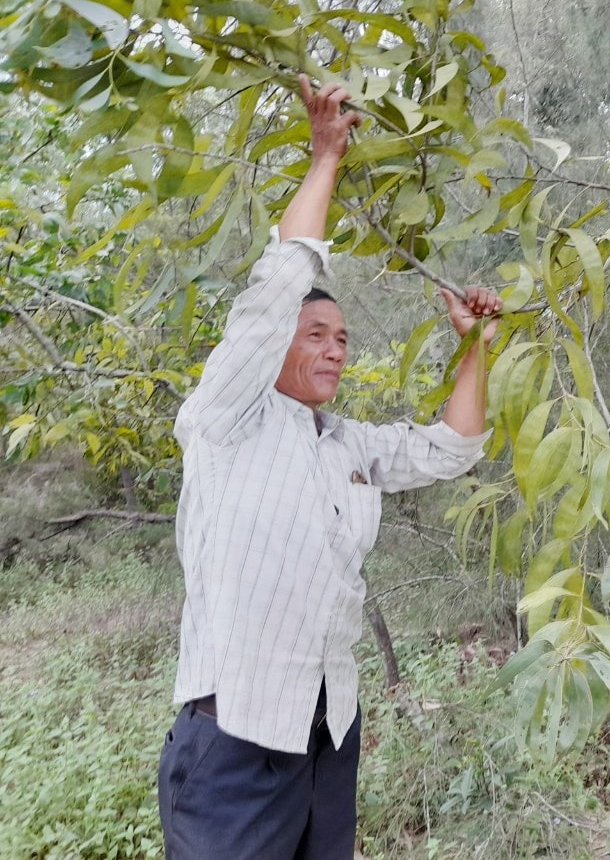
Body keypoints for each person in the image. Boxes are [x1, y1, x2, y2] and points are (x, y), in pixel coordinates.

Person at [157, 78, 502, 859]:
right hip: (236, 742)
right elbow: (280, 282)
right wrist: (326, 159)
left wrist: (474, 344)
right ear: (275, 344)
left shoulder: (344, 444)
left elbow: (452, 447)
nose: (336, 347)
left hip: (326, 736)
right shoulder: (225, 422)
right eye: (316, 333)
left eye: (343, 337)